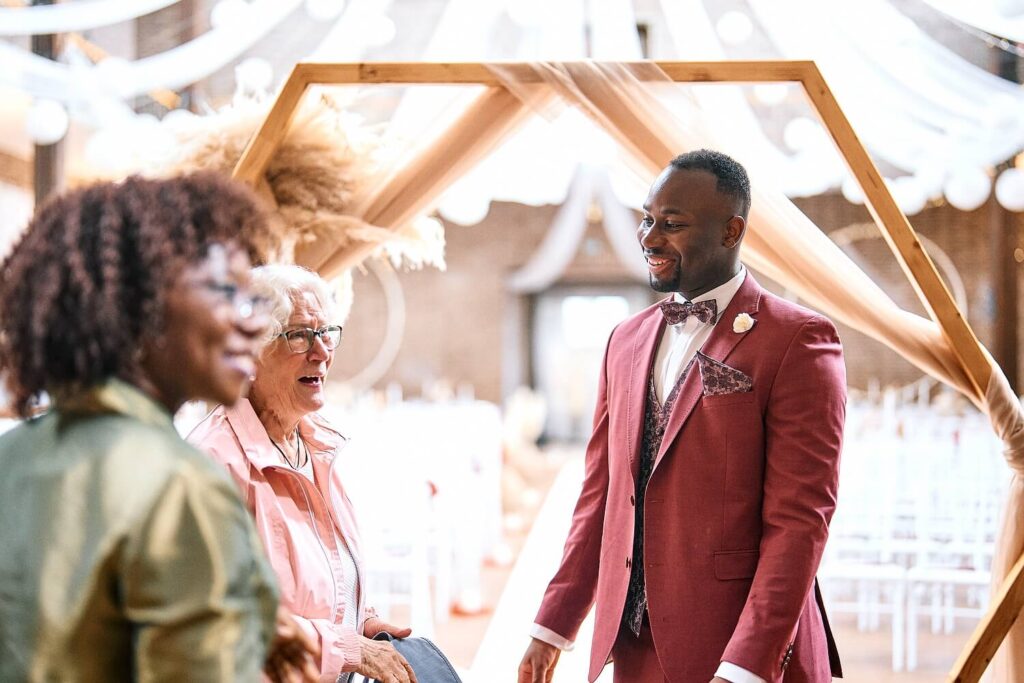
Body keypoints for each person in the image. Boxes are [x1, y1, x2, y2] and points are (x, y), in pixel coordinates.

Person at [518, 150, 846, 683]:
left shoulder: (799, 340)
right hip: (635, 641)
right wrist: (552, 626)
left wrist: (743, 667)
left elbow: (800, 524)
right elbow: (600, 496)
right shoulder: (624, 341)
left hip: (743, 649)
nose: (648, 238)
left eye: (672, 224)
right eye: (648, 218)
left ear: (730, 230)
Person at [0, 174, 319, 682]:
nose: (256, 321)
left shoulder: (12, 457)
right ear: (139, 305)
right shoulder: (178, 484)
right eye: (226, 291)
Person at [188, 263, 418, 683]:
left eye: (326, 332)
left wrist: (361, 621)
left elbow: (324, 578)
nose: (322, 351)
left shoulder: (316, 445)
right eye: (298, 335)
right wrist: (346, 647)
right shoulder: (213, 463)